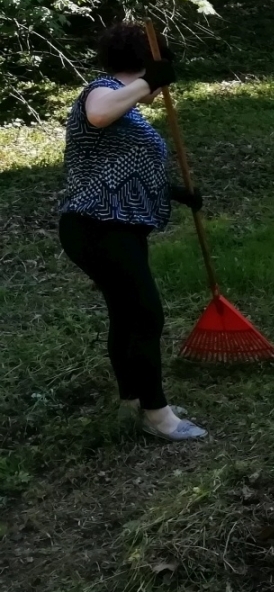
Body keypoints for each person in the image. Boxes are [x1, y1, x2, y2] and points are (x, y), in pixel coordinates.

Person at [57, 22, 207, 442]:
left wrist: (176, 192)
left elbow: (120, 168)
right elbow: (99, 114)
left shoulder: (131, 111)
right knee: (145, 314)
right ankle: (158, 415)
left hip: (116, 225)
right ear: (145, 65)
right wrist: (147, 81)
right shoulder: (101, 90)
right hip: (97, 226)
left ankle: (132, 402)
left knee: (126, 315)